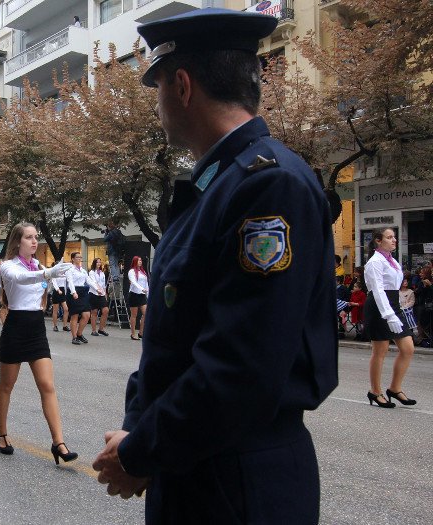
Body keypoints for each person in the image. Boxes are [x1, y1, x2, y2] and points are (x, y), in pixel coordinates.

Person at [91, 10, 338, 523]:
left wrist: (139, 451)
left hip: (239, 483)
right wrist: (138, 430)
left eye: (158, 85)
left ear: (182, 86)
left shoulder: (267, 186)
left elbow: (241, 368)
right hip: (195, 466)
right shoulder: (217, 185)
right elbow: (170, 342)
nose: (157, 104)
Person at [0, 222, 77, 463]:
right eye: (29, 237)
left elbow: (46, 284)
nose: (34, 241)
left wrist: (58, 276)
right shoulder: (8, 266)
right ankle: (1, 432)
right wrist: (47, 273)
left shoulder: (39, 266)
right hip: (15, 328)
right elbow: (21, 279)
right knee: (6, 385)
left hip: (36, 329)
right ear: (17, 241)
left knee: (47, 385)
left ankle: (58, 443)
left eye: (35, 237)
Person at [364, 228, 416, 408]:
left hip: (394, 305)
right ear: (378, 241)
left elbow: (394, 287)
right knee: (380, 351)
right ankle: (375, 391)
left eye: (394, 237)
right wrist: (389, 315)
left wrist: (396, 310)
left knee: (408, 348)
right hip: (379, 307)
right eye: (389, 237)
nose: (394, 240)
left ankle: (395, 388)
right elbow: (378, 291)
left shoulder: (392, 260)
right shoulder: (374, 262)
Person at [65, 252, 91, 345]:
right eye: (77, 257)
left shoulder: (83, 270)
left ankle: (79, 334)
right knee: (74, 315)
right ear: (73, 259)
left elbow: (88, 280)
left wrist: (97, 288)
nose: (79, 258)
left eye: (80, 257)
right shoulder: (70, 269)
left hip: (83, 292)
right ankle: (74, 337)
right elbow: (70, 282)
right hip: (73, 292)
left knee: (87, 315)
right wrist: (73, 292)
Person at [126, 256, 148, 341]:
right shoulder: (131, 271)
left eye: (141, 260)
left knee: (146, 313)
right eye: (138, 260)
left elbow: (146, 284)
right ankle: (133, 334)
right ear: (135, 261)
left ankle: (141, 333)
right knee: (134, 315)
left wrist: (148, 293)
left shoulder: (143, 271)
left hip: (142, 295)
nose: (140, 261)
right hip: (134, 294)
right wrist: (141, 288)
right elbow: (133, 282)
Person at [88, 258, 110, 337]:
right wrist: (98, 289)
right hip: (94, 293)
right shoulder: (91, 272)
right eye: (97, 262)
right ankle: (93, 330)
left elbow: (103, 284)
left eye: (100, 262)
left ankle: (101, 329)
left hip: (101, 294)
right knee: (94, 312)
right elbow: (93, 282)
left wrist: (105, 293)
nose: (99, 263)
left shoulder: (102, 273)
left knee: (105, 310)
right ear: (94, 263)